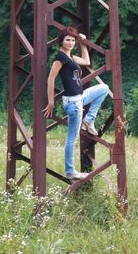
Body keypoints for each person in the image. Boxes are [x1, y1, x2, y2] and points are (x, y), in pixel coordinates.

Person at [43, 27, 109, 181]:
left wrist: (83, 43)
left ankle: (89, 119)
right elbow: (50, 79)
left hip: (80, 98)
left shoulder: (71, 57)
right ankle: (70, 171)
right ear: (61, 41)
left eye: (73, 40)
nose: (71, 43)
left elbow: (86, 61)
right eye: (68, 40)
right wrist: (51, 102)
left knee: (103, 88)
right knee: (71, 139)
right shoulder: (60, 58)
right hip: (73, 104)